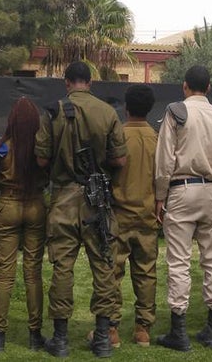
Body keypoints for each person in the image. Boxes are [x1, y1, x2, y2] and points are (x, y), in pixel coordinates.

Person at [34, 60, 127, 358]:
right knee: (104, 267)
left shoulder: (53, 111)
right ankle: (102, 337)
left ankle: (60, 340)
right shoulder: (108, 112)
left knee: (62, 268)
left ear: (67, 83)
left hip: (63, 199)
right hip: (97, 201)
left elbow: (41, 161)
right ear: (90, 82)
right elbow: (120, 160)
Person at [154, 65, 212, 351]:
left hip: (181, 189)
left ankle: (180, 330)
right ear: (210, 88)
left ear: (185, 85)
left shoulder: (176, 112)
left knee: (179, 261)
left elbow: (164, 159)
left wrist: (159, 196)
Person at [0, 97, 48, 352]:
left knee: (4, 274)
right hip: (35, 205)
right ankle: (35, 335)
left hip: (8, 205)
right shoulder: (41, 148)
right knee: (33, 273)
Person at [107, 84, 158, 348]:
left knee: (112, 273)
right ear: (149, 108)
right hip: (148, 215)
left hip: (119, 215)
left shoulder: (117, 136)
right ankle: (143, 330)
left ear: (126, 107)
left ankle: (111, 330)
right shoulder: (157, 138)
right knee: (146, 273)